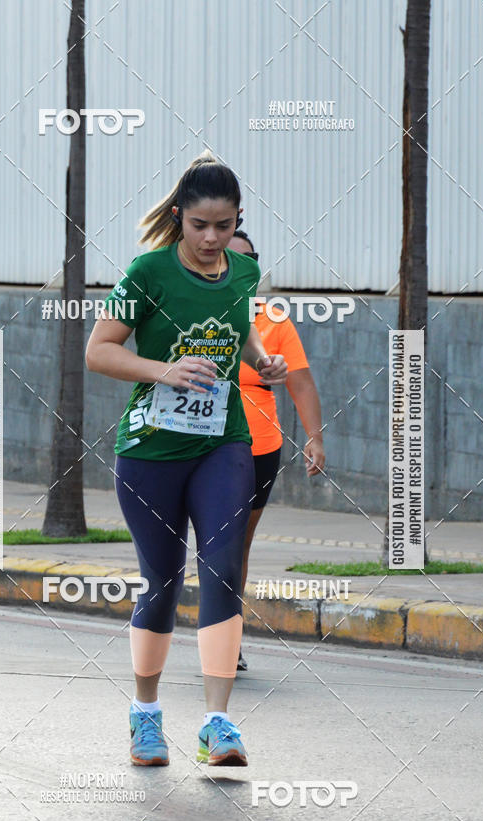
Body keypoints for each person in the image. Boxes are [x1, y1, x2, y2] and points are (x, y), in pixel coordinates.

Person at [85, 152, 287, 767]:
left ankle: (219, 724)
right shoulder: (149, 272)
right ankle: (145, 715)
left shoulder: (244, 273)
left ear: (237, 222)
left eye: (223, 226)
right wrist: (162, 371)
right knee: (164, 578)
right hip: (151, 449)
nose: (210, 238)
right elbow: (99, 350)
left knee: (223, 565)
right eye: (199, 224)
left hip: (223, 441)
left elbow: (240, 328)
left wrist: (261, 361)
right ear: (179, 217)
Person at [227, 230, 326, 672]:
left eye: (247, 259)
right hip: (195, 444)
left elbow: (301, 382)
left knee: (236, 546)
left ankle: (227, 638)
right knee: (206, 543)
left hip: (258, 447)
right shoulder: (185, 310)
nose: (237, 266)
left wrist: (315, 436)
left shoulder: (273, 319)